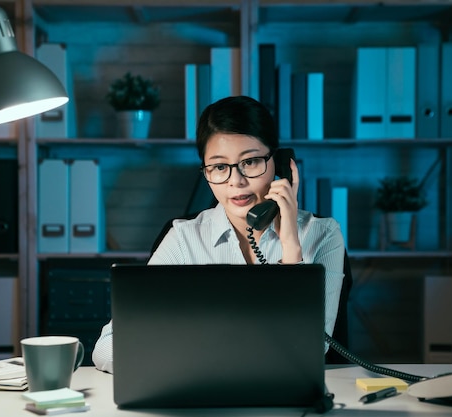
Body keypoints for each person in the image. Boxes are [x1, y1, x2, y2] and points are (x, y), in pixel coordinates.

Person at [92, 95, 345, 373]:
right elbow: (107, 346)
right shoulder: (184, 238)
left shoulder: (323, 234)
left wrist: (291, 247)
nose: (236, 181)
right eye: (220, 167)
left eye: (250, 162)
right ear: (205, 171)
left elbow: (310, 346)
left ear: (282, 164)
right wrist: (197, 361)